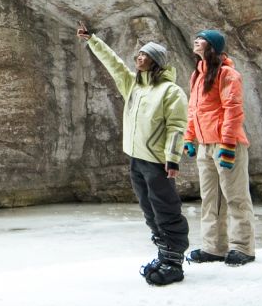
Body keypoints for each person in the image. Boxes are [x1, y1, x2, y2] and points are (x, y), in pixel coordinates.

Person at [76, 22, 189, 286]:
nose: (138, 57)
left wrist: (172, 158)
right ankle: (164, 254)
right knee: (149, 209)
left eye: (145, 55)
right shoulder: (134, 87)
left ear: (156, 62)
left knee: (166, 209)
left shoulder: (170, 92)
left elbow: (176, 127)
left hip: (158, 162)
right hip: (137, 159)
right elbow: (113, 64)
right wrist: (92, 40)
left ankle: (174, 262)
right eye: (138, 53)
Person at [183, 29, 256, 266]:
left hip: (227, 143)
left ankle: (243, 247)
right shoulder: (197, 75)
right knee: (210, 198)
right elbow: (194, 110)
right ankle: (214, 247)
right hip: (205, 145)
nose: (196, 40)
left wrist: (227, 143)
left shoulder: (227, 74)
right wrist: (189, 137)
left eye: (202, 39)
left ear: (213, 46)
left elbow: (233, 109)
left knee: (235, 196)